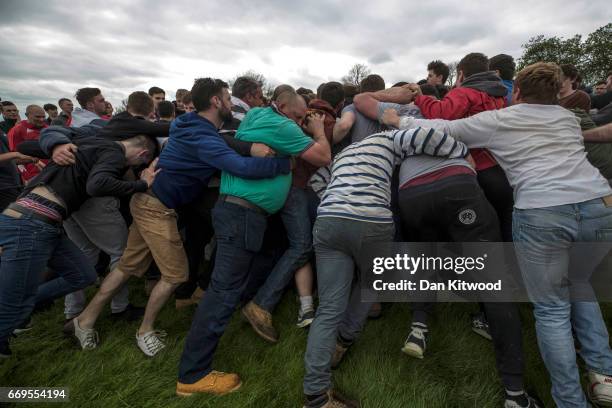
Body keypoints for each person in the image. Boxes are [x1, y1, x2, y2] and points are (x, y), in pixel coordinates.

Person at [383, 62, 612, 407]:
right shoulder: (566, 118)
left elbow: (445, 127)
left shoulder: (502, 119)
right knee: (581, 288)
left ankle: (570, 400)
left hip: (543, 210)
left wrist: (400, 122)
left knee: (551, 310)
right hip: (597, 205)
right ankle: (603, 376)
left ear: (515, 92)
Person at [69, 78, 290, 358]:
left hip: (147, 201)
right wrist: (282, 163)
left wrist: (249, 147)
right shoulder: (202, 135)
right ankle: (145, 331)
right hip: (156, 207)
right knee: (175, 275)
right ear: (216, 102)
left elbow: (223, 142)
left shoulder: (190, 124)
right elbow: (239, 167)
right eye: (226, 97)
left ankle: (84, 320)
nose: (231, 103)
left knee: (127, 266)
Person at [303, 122, 472, 408]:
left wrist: (335, 201)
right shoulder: (389, 138)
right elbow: (426, 135)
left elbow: (317, 180)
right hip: (371, 220)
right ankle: (343, 340)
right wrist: (463, 153)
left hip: (329, 219)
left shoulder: (343, 154)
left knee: (329, 308)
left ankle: (316, 396)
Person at [176, 87, 331, 396]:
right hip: (243, 214)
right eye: (298, 116)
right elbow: (323, 156)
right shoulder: (283, 126)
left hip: (237, 210)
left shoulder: (257, 115)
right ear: (284, 108)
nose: (300, 122)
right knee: (223, 292)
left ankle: (248, 313)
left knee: (238, 276)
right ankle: (193, 375)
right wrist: (316, 131)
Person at [0, 133, 158, 359]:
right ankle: (12, 313)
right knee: (15, 305)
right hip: (30, 224)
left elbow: (27, 146)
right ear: (142, 154)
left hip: (46, 223)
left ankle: (21, 302)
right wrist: (142, 183)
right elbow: (97, 184)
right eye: (138, 165)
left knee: (83, 275)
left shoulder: (86, 142)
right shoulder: (114, 152)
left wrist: (54, 144)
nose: (128, 168)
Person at [7, 105, 48, 182]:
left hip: (51, 172)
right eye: (37, 117)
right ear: (27, 115)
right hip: (32, 177)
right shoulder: (17, 131)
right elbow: (13, 159)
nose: (42, 119)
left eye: (43, 117)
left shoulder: (48, 128)